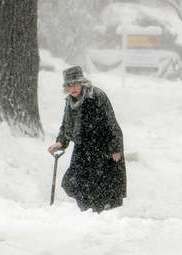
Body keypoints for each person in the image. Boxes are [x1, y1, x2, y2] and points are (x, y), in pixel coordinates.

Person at [48, 66, 126, 212]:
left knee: (99, 187)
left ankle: (97, 215)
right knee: (73, 183)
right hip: (82, 149)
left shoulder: (96, 96)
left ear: (82, 83)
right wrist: (60, 142)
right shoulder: (70, 101)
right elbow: (66, 125)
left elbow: (111, 123)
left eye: (75, 84)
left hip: (101, 148)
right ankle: (89, 212)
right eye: (69, 85)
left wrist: (115, 148)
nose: (72, 88)